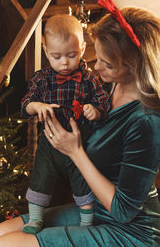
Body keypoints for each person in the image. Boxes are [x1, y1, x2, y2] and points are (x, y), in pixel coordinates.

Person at [0, 0, 160, 247]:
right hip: (97, 211)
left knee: (6, 245)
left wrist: (74, 151)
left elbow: (122, 212)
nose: (96, 66)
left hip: (134, 234)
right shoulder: (110, 87)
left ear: (134, 66)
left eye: (106, 63)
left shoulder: (147, 123)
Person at [20, 14, 109, 234]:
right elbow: (26, 104)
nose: (64, 63)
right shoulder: (42, 79)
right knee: (41, 176)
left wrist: (94, 110)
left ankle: (87, 223)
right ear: (45, 49)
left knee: (82, 181)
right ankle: (35, 219)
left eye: (71, 55)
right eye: (56, 56)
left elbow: (102, 101)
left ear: (82, 47)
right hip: (49, 144)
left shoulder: (89, 79)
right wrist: (37, 106)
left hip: (79, 142)